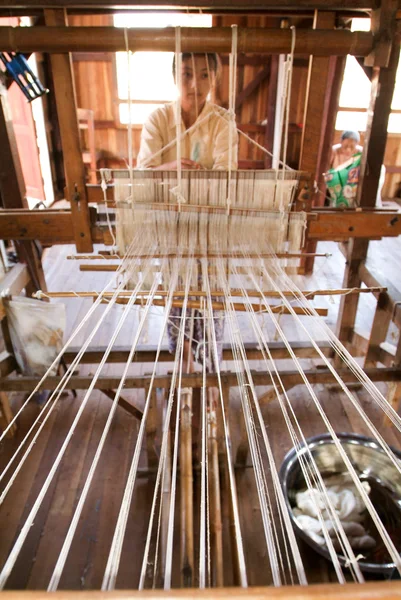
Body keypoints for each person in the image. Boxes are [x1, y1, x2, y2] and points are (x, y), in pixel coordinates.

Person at [136, 52, 238, 377]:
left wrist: (179, 178)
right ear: (174, 76)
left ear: (215, 78)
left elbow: (227, 176)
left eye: (205, 75)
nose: (195, 84)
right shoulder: (158, 120)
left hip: (211, 226)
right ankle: (182, 365)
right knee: (178, 297)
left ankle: (210, 374)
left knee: (212, 300)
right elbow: (143, 173)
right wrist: (171, 167)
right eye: (187, 74)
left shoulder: (223, 121)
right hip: (171, 226)